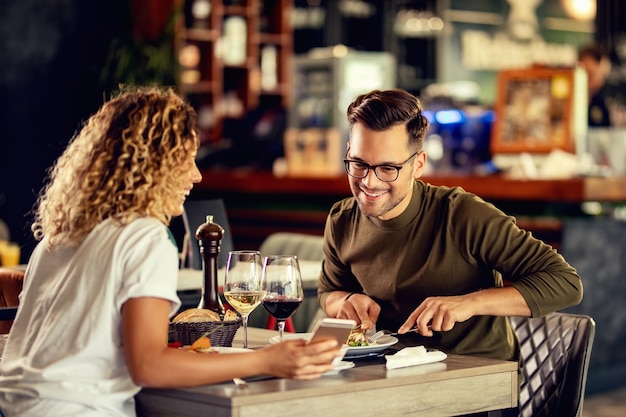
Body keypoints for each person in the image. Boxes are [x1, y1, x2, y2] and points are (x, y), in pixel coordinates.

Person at [0, 86, 340, 417]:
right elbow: (149, 365)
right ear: (153, 164)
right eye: (186, 160)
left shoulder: (61, 233)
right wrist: (267, 360)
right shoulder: (145, 235)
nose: (196, 174)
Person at [318, 88, 583, 364]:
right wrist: (346, 300)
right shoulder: (342, 219)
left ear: (418, 164)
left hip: (476, 379)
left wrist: (467, 304)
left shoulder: (461, 214)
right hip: (391, 373)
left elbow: (565, 282)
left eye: (388, 169)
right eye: (359, 164)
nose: (369, 182)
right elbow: (328, 292)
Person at [578, 43, 612, 127]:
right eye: (589, 74)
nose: (595, 82)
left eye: (602, 76)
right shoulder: (563, 99)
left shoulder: (600, 102)